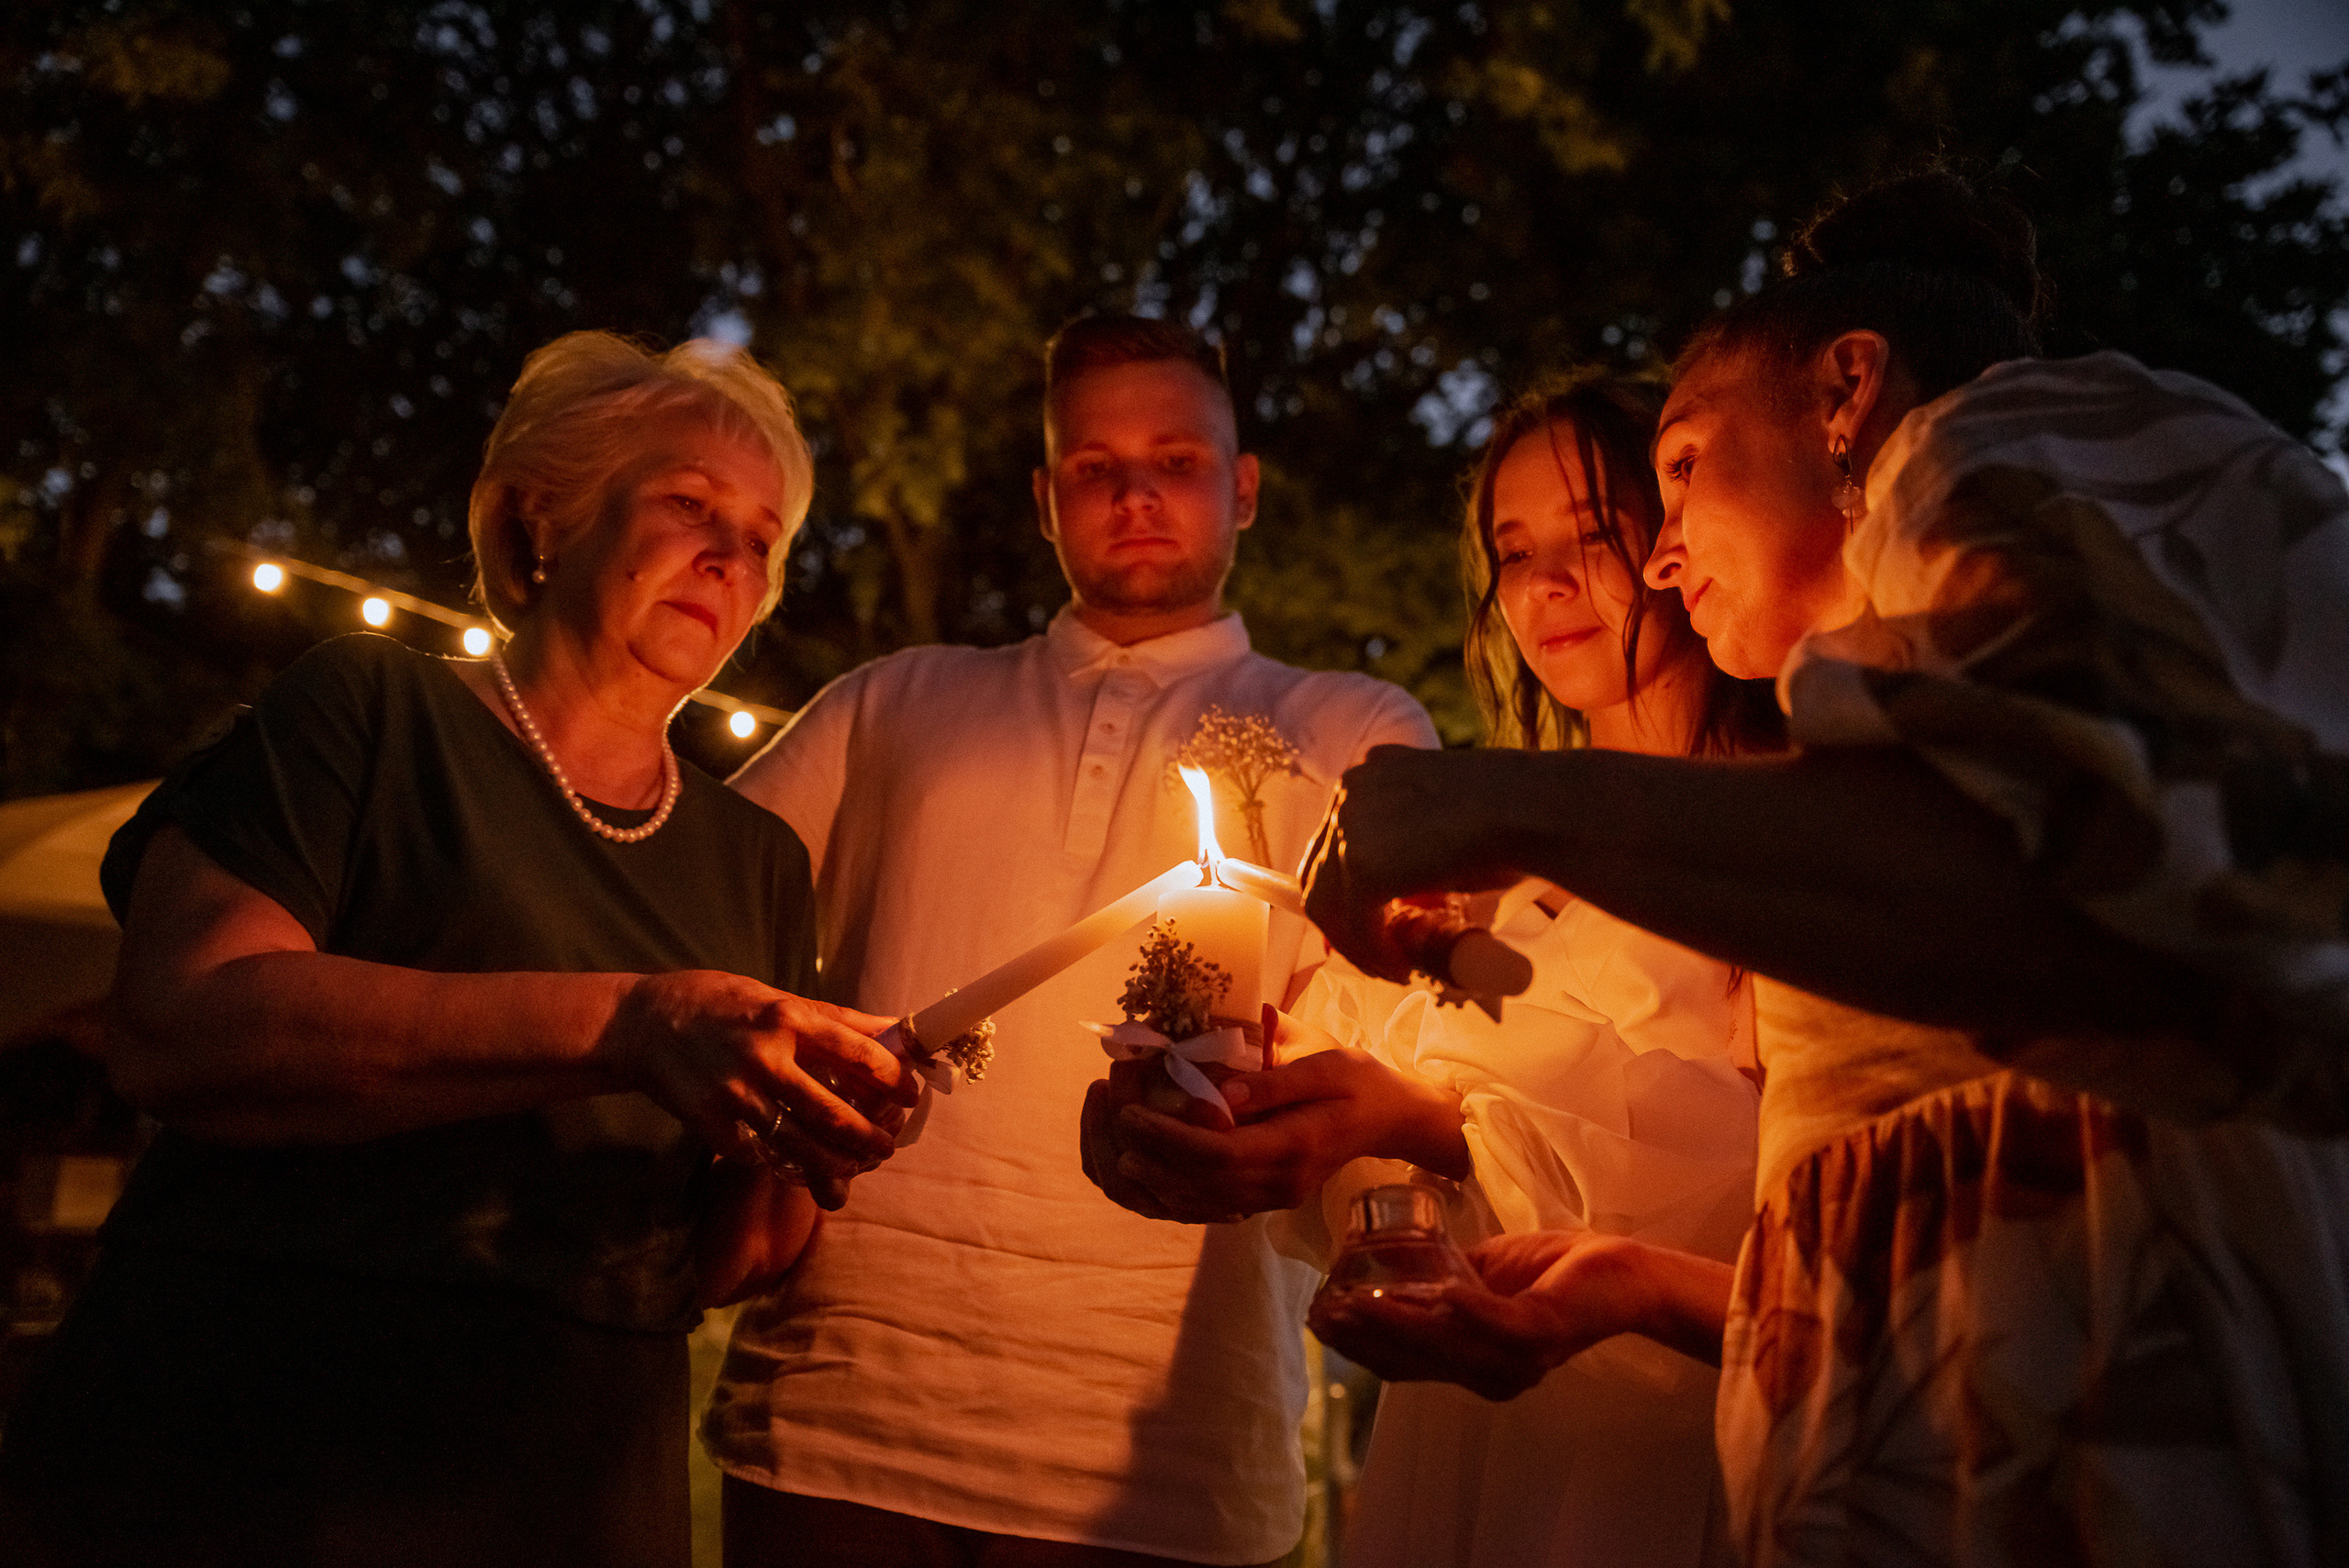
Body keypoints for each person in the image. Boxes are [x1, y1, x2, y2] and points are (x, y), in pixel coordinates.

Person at [1298, 170, 2349, 1566]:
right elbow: (1941, 1190)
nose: (1662, 557)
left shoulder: (2002, 433)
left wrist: (1505, 800)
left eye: (1680, 467)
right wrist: (1633, 1287)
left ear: (1847, 390)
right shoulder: (1888, 730)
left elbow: (2088, 891)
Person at [0, 332, 917, 1568]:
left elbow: (717, 1257)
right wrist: (633, 1024)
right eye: (691, 505)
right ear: (543, 518)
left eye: (762, 539)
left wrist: (817, 1136)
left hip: (570, 1487)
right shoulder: (371, 711)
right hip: (252, 1448)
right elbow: (182, 1023)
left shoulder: (756, 860)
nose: (730, 558)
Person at [703, 314, 1439, 1568]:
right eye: (1095, 467)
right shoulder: (895, 702)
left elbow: (1414, 1050)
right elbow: (681, 902)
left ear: (1244, 487)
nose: (1135, 493)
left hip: (1169, 1454)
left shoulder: (1354, 730)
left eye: (1177, 461)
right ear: (1046, 500)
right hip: (836, 1411)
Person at [1090, 373, 1776, 1568]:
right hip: (1469, 1455)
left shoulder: (1775, 857)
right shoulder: (1477, 882)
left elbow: (1755, 1194)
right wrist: (1264, 1120)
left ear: (1679, 543)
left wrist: (1429, 1117)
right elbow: (1380, 1192)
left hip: (1674, 1470)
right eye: (1513, 552)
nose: (1545, 585)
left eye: (1590, 537)